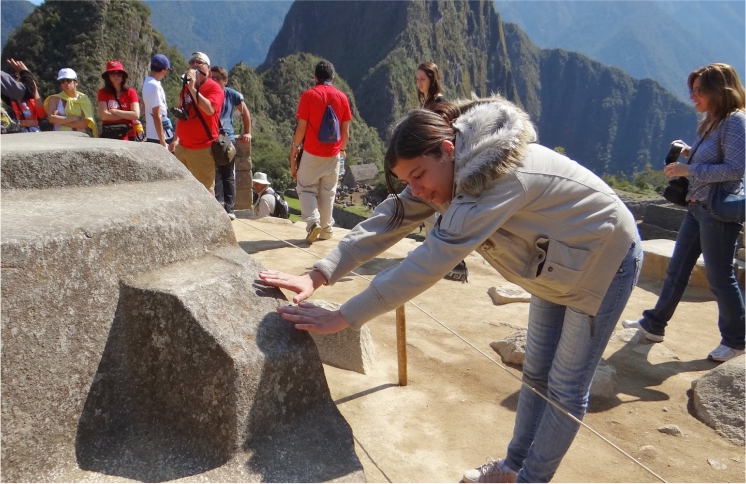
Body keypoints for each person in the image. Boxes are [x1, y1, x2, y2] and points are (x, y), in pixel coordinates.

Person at [260, 96, 642, 483]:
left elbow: (431, 259)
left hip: (603, 260)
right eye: (409, 180)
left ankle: (531, 479)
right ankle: (512, 468)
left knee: (564, 387)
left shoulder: (498, 179)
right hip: (552, 267)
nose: (418, 189)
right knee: (536, 373)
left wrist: (345, 317)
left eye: (419, 175)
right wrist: (319, 274)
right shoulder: (455, 166)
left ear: (446, 150)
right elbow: (391, 218)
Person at [623, 63, 745, 362]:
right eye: (692, 90)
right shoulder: (713, 121)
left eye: (699, 90)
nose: (693, 96)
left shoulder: (734, 121)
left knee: (720, 277)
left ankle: (736, 340)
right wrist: (690, 152)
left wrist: (689, 169)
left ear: (720, 90)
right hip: (697, 206)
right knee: (676, 270)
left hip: (717, 210)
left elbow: (736, 169)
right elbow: (718, 159)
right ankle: (654, 325)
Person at [289, 60, 352, 243]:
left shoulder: (309, 95)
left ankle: (312, 222)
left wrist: (294, 148)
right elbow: (345, 131)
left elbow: (302, 127)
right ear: (332, 78)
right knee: (328, 191)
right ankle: (326, 230)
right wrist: (342, 150)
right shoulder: (342, 97)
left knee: (306, 188)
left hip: (311, 152)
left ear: (315, 77)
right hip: (333, 155)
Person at [171, 52, 225, 194]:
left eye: (199, 62)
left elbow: (209, 109)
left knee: (204, 192)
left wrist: (192, 88)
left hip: (201, 149)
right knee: (180, 189)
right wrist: (175, 139)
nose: (195, 65)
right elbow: (181, 112)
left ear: (208, 68)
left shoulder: (214, 88)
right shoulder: (186, 87)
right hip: (183, 147)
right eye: (192, 62)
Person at [210, 65, 252, 220]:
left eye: (217, 78)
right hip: (212, 137)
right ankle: (219, 204)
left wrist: (247, 132)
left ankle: (229, 208)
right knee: (216, 173)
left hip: (226, 138)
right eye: (211, 78)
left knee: (227, 173)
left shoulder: (231, 94)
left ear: (225, 80)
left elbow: (245, 112)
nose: (213, 81)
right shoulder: (208, 93)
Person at [45, 68, 97, 137]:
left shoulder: (83, 99)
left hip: (80, 138)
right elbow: (51, 119)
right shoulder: (54, 98)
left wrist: (60, 119)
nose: (66, 83)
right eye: (62, 81)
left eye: (69, 80)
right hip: (59, 137)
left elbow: (83, 124)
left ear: (76, 82)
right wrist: (73, 118)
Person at [97, 60, 140, 140]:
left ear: (123, 76)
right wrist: (127, 116)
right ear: (108, 76)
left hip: (129, 135)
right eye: (112, 74)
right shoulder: (102, 92)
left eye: (119, 74)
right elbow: (104, 116)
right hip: (110, 135)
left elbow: (136, 115)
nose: (116, 76)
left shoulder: (131, 92)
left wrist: (114, 111)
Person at [142, 54, 174, 148]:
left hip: (155, 134)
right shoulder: (154, 86)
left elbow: (144, 108)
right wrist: (162, 141)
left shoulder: (148, 82)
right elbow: (157, 115)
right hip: (158, 137)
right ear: (164, 70)